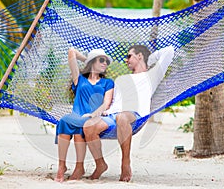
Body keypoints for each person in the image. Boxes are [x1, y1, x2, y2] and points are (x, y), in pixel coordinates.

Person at [83, 44, 175, 182]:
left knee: (122, 117)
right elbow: (115, 104)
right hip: (114, 115)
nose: (126, 60)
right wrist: (101, 113)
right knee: (88, 126)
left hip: (136, 116)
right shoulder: (121, 80)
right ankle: (100, 164)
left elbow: (169, 51)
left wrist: (149, 59)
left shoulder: (152, 75)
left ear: (139, 56)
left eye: (129, 56)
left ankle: (125, 163)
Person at [54, 47, 114, 182]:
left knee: (77, 127)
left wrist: (93, 114)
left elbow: (106, 103)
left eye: (106, 61)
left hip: (94, 117)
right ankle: (61, 165)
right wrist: (88, 60)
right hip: (77, 114)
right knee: (65, 121)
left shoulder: (108, 82)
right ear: (93, 62)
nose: (105, 63)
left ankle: (79, 167)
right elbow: (71, 51)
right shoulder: (79, 79)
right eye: (101, 60)